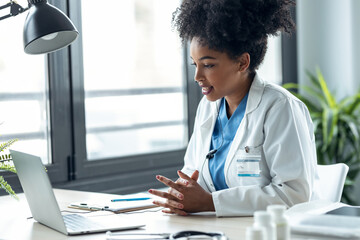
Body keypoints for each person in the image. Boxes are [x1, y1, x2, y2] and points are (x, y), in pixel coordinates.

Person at [148, 0, 318, 217]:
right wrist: (180, 195)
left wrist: (211, 202)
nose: (197, 77)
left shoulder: (280, 107)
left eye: (208, 65)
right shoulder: (208, 107)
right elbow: (193, 173)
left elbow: (294, 196)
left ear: (242, 63)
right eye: (195, 64)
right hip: (217, 228)